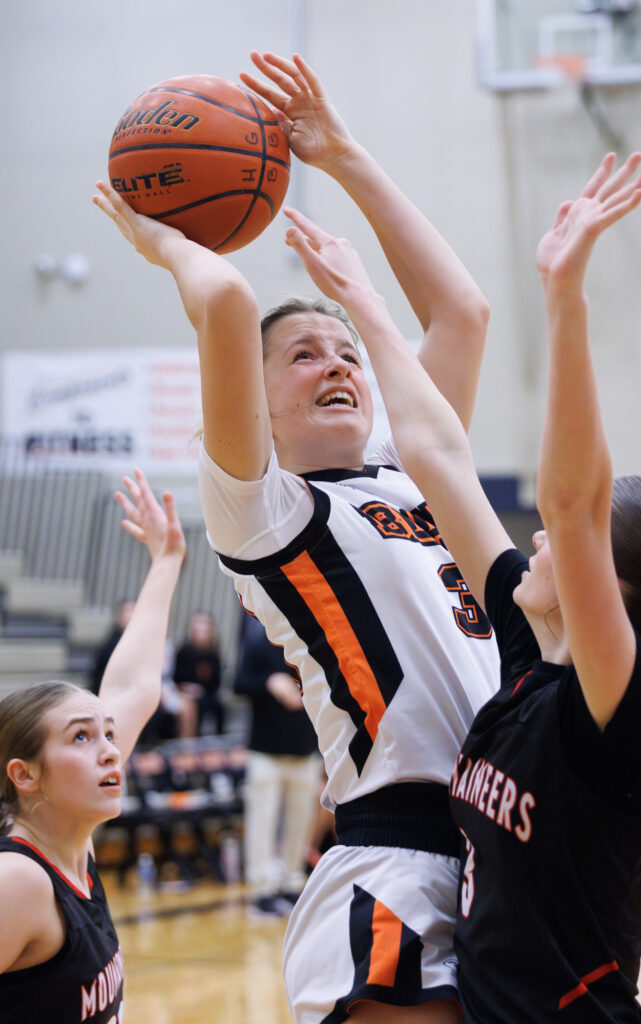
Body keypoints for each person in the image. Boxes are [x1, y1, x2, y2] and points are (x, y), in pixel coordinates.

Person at [280, 151, 641, 1021]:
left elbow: (571, 503)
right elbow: (436, 456)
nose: (533, 538)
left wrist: (565, 298)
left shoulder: (633, 717)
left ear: (598, 582)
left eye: (566, 543)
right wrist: (369, 311)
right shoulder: (530, 649)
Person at [94, 50, 500, 1024]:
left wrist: (345, 154)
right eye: (304, 355)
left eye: (350, 353)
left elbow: (463, 312)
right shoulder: (270, 514)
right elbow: (230, 304)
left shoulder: (413, 469)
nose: (339, 365)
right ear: (255, 413)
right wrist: (161, 245)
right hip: (397, 863)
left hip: (504, 847)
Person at [0, 469, 186, 1023]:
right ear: (25, 774)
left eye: (109, 733)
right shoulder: (20, 880)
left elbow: (132, 688)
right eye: (82, 737)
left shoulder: (67, 841)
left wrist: (167, 559)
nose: (110, 750)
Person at [233, 609, 321, 917]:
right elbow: (238, 684)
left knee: (300, 822)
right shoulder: (261, 644)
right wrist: (269, 683)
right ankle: (263, 888)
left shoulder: (314, 646)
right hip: (265, 752)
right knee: (263, 821)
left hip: (304, 751)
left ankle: (291, 882)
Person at [173, 609, 226, 735]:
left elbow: (216, 682)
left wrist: (202, 691)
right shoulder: (184, 651)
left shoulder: (213, 653)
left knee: (219, 707)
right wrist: (187, 688)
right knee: (190, 706)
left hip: (206, 694)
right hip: (185, 694)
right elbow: (176, 677)